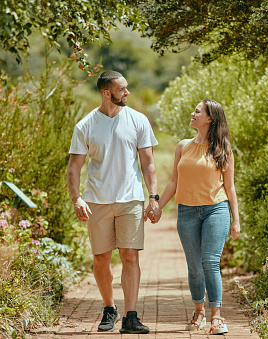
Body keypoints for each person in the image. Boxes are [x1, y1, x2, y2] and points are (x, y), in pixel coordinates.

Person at [67, 70, 161, 334]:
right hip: (97, 201)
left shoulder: (138, 120)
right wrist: (77, 199)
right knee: (101, 259)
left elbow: (148, 163)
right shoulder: (85, 126)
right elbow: (74, 167)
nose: (127, 93)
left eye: (127, 88)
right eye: (122, 90)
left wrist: (153, 197)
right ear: (106, 93)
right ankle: (110, 308)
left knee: (130, 256)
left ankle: (131, 316)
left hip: (131, 199)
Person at [145, 99, 240, 335]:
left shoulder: (223, 149)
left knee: (210, 262)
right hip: (186, 212)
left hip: (216, 210)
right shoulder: (182, 146)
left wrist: (236, 219)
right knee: (194, 266)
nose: (193, 113)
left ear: (210, 118)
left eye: (198, 111)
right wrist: (157, 205)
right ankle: (199, 311)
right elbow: (174, 182)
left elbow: (230, 188)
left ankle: (216, 317)